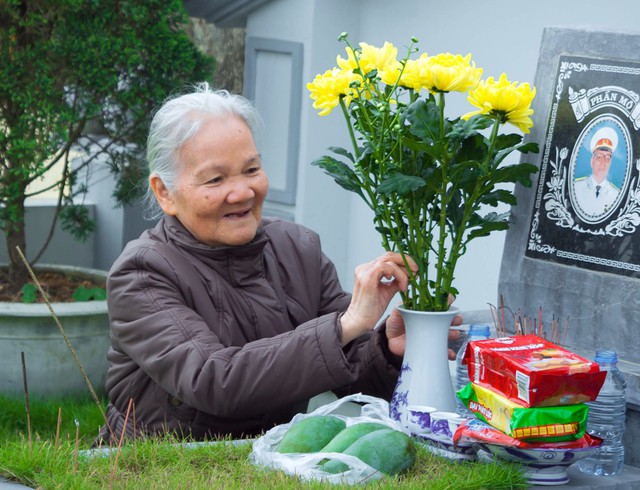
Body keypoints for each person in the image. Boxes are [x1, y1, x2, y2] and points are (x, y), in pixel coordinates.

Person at [95, 83, 461, 445]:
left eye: (251, 169)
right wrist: (346, 325)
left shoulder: (298, 248)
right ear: (164, 193)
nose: (242, 192)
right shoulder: (142, 273)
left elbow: (352, 373)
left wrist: (387, 349)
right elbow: (213, 380)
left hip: (272, 461)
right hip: (159, 467)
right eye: (215, 179)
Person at [573, 127, 620, 216]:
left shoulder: (616, 194)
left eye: (607, 158)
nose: (603, 163)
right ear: (592, 160)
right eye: (599, 157)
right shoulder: (576, 187)